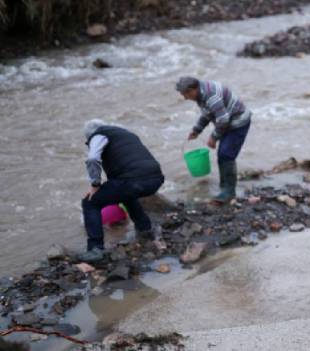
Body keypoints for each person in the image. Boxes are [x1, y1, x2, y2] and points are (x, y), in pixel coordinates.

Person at [80, 119, 164, 262]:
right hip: (155, 179)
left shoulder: (98, 135)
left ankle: (96, 249)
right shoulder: (125, 133)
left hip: (133, 181)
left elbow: (93, 158)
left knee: (90, 202)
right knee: (125, 193)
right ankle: (145, 230)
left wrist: (95, 185)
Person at [176, 76, 252, 205]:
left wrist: (213, 137)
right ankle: (225, 187)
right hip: (228, 121)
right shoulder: (201, 93)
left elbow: (223, 120)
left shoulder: (211, 96)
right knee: (223, 154)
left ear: (192, 90)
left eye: (185, 94)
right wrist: (197, 130)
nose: (185, 98)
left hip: (238, 121)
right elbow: (207, 114)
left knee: (226, 154)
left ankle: (229, 192)